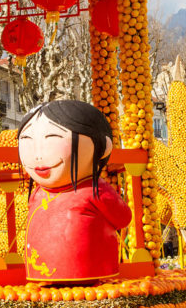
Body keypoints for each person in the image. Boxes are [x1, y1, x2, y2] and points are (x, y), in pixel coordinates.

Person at [18, 100, 131, 284]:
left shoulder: (93, 189)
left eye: (53, 139)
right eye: (27, 141)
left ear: (103, 146)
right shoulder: (38, 192)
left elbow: (123, 217)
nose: (38, 155)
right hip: (42, 275)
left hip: (89, 273)